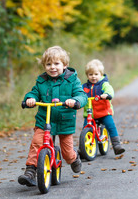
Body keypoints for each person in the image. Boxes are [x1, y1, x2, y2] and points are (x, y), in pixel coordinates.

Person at [18, 46, 88, 187]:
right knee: (37, 143)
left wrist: (75, 101)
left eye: (56, 64)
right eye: (48, 64)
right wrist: (30, 99)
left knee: (67, 153)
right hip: (44, 120)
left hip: (64, 121)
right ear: (44, 66)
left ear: (65, 65)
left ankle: (74, 158)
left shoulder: (72, 80)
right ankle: (31, 171)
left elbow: (82, 95)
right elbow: (34, 93)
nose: (52, 67)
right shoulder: (42, 81)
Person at [82, 59, 125, 155]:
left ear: (101, 74)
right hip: (90, 114)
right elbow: (78, 92)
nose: (93, 77)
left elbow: (109, 90)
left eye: (96, 74)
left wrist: (107, 94)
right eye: (90, 74)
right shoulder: (84, 86)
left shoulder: (104, 84)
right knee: (85, 128)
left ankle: (116, 145)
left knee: (110, 126)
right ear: (87, 75)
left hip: (104, 112)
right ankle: (84, 147)